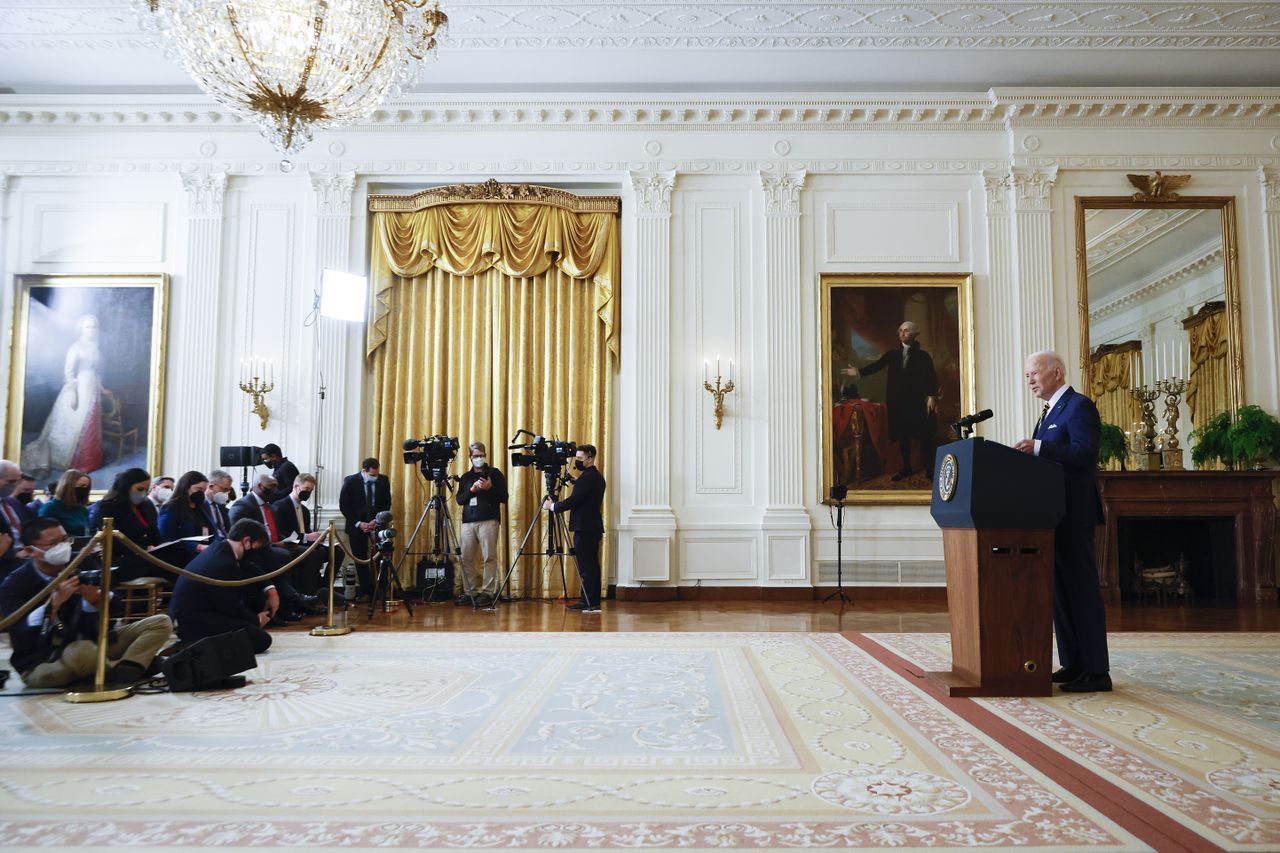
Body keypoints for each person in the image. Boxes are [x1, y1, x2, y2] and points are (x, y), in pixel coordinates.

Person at [1013, 350, 1111, 694]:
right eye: (1026, 376)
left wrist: (1039, 447)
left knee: (1081, 590)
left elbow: (1085, 454)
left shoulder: (1078, 406)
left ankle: (1097, 671)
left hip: (1075, 514)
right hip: (1052, 514)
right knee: (1060, 592)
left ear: (1057, 372)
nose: (1029, 381)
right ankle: (1074, 664)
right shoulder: (1049, 412)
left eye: (1034, 374)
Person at [0, 517, 172, 688]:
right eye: (53, 544)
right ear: (31, 551)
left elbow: (116, 604)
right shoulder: (15, 583)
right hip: (46, 659)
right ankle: (131, 665)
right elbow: (19, 630)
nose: (63, 547)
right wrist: (52, 606)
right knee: (81, 652)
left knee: (160, 622)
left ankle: (125, 668)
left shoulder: (80, 560)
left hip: (95, 642)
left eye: (65, 540)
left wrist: (96, 600)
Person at [844, 320, 940, 482]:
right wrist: (858, 372)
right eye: (901, 330)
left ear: (915, 334)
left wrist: (931, 396)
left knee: (924, 436)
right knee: (903, 437)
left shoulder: (923, 357)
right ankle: (907, 468)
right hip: (899, 403)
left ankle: (930, 469)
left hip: (918, 403)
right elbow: (876, 366)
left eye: (907, 330)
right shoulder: (893, 355)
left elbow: (931, 377)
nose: (903, 333)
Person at [168, 519, 274, 654]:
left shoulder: (221, 548)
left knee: (248, 628)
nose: (255, 552)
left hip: (194, 613)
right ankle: (196, 644)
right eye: (256, 547)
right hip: (193, 621)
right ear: (246, 541)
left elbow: (249, 568)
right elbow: (230, 607)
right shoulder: (224, 564)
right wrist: (256, 620)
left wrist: (271, 590)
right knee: (261, 639)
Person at [22, 314, 104, 476]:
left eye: (93, 326)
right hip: (79, 388)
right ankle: (67, 461)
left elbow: (97, 372)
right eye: (87, 326)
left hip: (92, 390)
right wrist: (73, 392)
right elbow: (68, 372)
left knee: (90, 425)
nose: (91, 330)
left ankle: (88, 461)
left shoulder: (96, 348)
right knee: (71, 426)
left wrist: (102, 387)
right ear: (81, 329)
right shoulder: (76, 347)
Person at [228, 473, 316, 622]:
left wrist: (285, 541)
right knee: (282, 556)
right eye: (271, 487)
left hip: (273, 545)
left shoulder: (269, 506)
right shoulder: (243, 505)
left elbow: (276, 531)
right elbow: (238, 533)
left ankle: (300, 599)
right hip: (254, 549)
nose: (275, 490)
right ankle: (287, 604)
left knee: (309, 552)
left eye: (276, 487)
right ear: (259, 486)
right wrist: (272, 543)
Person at [543, 444, 606, 613]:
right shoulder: (593, 477)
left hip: (585, 527)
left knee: (587, 566)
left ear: (590, 458)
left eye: (580, 459)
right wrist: (576, 482)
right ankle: (590, 600)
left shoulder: (588, 478)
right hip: (591, 526)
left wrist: (553, 506)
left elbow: (574, 501)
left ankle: (589, 602)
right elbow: (585, 494)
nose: (576, 462)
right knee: (591, 565)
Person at [455, 442, 508, 607]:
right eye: (475, 456)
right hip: (468, 522)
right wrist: (471, 491)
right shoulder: (465, 477)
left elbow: (504, 497)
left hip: (489, 520)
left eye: (481, 455)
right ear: (470, 457)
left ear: (485, 455)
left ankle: (487, 592)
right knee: (465, 557)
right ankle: (469, 591)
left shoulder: (495, 473)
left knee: (489, 557)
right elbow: (459, 500)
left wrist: (490, 488)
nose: (478, 458)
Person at [93, 468, 162, 583]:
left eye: (147, 490)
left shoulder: (147, 506)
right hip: (122, 560)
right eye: (140, 489)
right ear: (126, 486)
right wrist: (144, 549)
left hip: (148, 557)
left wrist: (163, 546)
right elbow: (114, 542)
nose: (143, 493)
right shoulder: (107, 507)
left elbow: (154, 533)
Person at [339, 458, 391, 596]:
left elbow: (386, 503)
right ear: (364, 471)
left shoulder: (384, 480)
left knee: (381, 556)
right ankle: (366, 591)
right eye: (372, 475)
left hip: (377, 524)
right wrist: (359, 523)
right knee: (360, 558)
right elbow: (344, 506)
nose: (376, 477)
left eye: (377, 474)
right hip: (357, 525)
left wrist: (377, 521)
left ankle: (380, 590)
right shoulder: (350, 481)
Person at [271, 473, 326, 596]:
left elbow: (305, 530)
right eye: (306, 489)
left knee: (336, 551)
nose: (308, 493)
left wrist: (316, 536)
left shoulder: (305, 511)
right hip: (288, 545)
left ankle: (323, 588)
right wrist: (307, 537)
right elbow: (282, 534)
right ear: (296, 487)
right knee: (312, 553)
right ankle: (307, 594)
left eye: (311, 490)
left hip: (303, 543)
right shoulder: (280, 506)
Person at [157, 471, 214, 567]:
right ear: (186, 487)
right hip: (181, 556)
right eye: (198, 489)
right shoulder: (171, 507)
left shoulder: (203, 505)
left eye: (203, 490)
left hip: (204, 553)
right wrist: (197, 547)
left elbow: (213, 530)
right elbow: (166, 539)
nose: (201, 493)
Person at [38, 468, 92, 536]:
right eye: (82, 486)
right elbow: (44, 535)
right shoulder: (50, 508)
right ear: (68, 487)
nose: (84, 490)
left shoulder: (82, 509)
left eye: (87, 487)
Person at [0, 460, 25, 581]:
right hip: (6, 563)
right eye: (11, 482)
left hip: (25, 557)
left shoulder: (12, 502)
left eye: (17, 482)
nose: (15, 486)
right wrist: (14, 554)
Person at [203, 469, 234, 539]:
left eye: (228, 490)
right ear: (211, 486)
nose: (227, 493)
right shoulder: (200, 506)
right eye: (224, 489)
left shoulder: (222, 507)